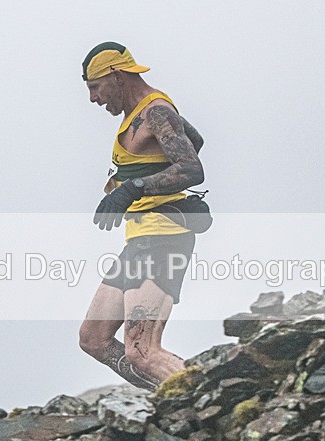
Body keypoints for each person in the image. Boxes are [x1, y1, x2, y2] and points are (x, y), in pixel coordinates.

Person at [78, 42, 206, 391]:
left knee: (142, 349)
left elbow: (193, 169)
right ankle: (167, 397)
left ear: (117, 76)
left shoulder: (156, 112)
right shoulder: (145, 115)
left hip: (164, 236)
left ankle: (205, 397)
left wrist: (131, 188)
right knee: (93, 338)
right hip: (139, 240)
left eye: (95, 87)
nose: (93, 98)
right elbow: (196, 139)